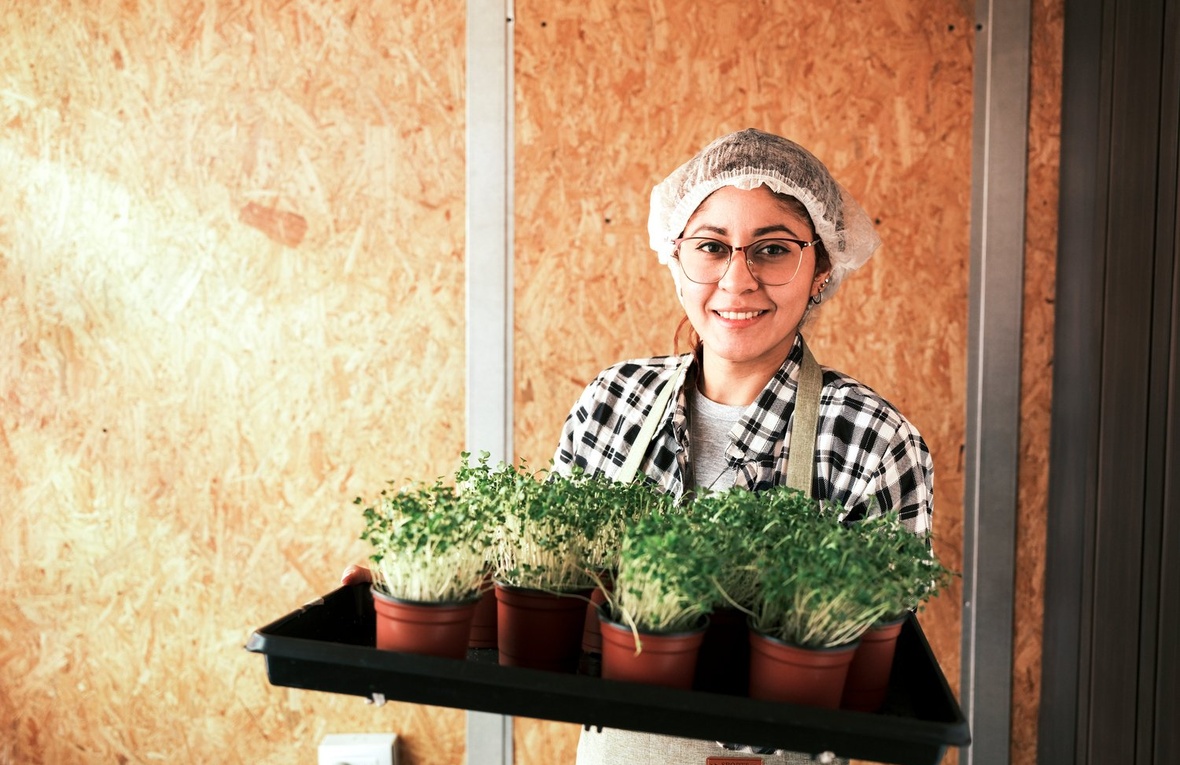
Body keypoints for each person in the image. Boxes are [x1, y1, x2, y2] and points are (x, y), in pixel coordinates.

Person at [555, 128, 933, 764]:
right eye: (711, 247)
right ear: (675, 259)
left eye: (773, 250)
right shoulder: (610, 403)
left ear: (822, 268)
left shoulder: (875, 442)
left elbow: (875, 676)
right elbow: (549, 599)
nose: (737, 281)